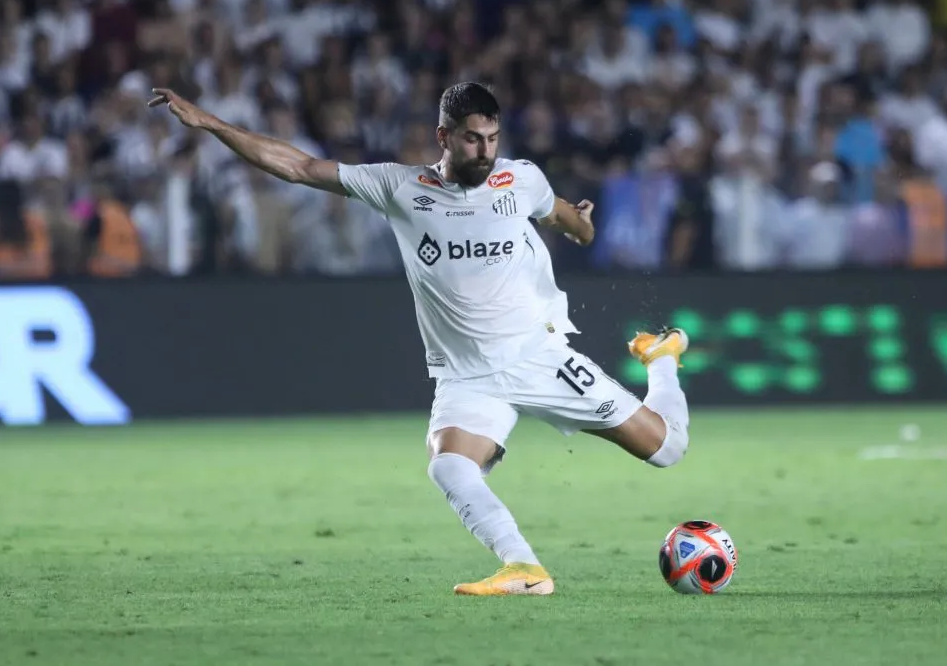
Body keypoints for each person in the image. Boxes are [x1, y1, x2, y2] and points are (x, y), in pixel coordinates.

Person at [148, 82, 692, 596]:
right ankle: (523, 567)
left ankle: (662, 357)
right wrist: (208, 122)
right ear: (444, 137)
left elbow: (572, 222)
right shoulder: (400, 187)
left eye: (492, 138)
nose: (485, 151)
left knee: (667, 449)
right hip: (467, 376)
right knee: (449, 466)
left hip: (536, 357)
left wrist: (581, 224)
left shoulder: (520, 180)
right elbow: (299, 167)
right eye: (472, 138)